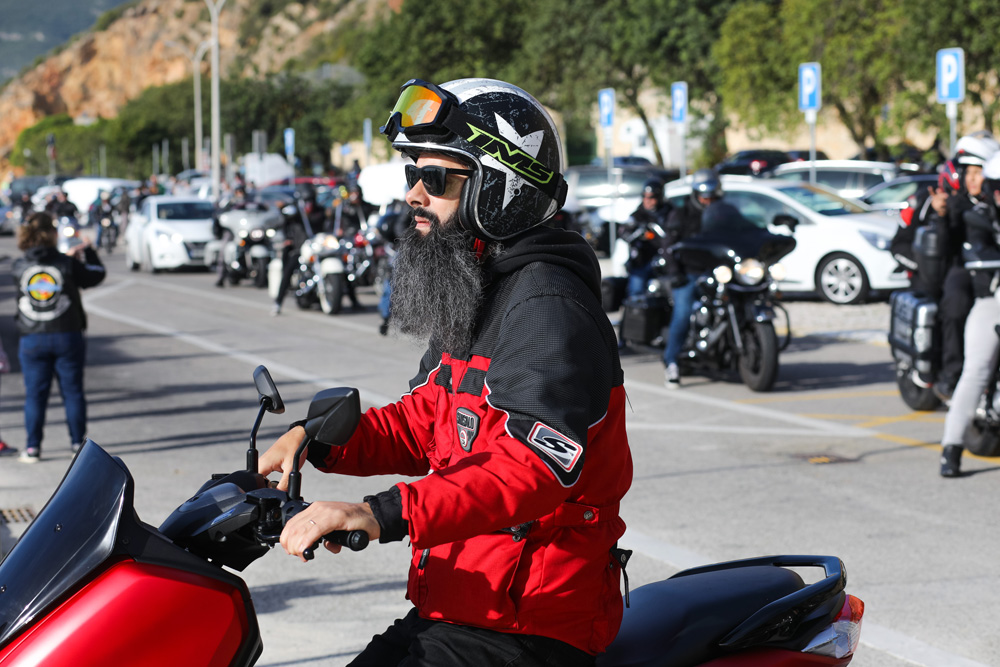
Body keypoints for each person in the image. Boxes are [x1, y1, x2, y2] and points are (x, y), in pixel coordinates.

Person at [258, 78, 632, 666]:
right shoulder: (479, 288)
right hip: (464, 606)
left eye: (435, 179)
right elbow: (427, 420)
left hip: (529, 625)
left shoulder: (548, 308)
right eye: (413, 175)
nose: (413, 194)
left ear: (500, 187)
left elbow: (531, 468)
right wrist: (319, 440)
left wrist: (380, 513)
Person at [12, 212, 105, 462]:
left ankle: (33, 448)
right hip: (67, 334)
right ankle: (77, 445)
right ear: (54, 234)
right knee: (72, 392)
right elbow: (96, 274)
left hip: (32, 337)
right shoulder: (67, 264)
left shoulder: (18, 266)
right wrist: (87, 251)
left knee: (35, 395)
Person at [939, 151, 1000, 477]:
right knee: (976, 368)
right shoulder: (980, 215)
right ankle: (951, 448)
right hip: (992, 297)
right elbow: (978, 249)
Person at [934, 134, 1000, 402]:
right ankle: (952, 374)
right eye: (969, 172)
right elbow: (945, 243)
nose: (973, 178)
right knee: (956, 303)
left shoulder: (994, 202)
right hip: (964, 267)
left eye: (979, 172)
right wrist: (942, 216)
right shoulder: (953, 203)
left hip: (993, 269)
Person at [661, 168, 720, 388]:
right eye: (705, 196)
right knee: (683, 312)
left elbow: (740, 229)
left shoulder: (724, 211)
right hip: (689, 273)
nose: (708, 201)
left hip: (717, 272)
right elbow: (668, 244)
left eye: (712, 197)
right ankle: (672, 362)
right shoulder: (682, 213)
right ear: (696, 194)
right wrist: (675, 272)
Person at [621, 178, 671, 298]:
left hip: (667, 260)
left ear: (660, 197)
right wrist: (636, 232)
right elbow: (624, 231)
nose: (647, 200)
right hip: (642, 260)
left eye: (652, 197)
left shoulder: (670, 213)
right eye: (645, 196)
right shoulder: (637, 215)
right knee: (636, 288)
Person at [271, 197, 310, 315]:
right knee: (287, 272)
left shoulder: (316, 214)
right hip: (298, 250)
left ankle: (353, 301)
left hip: (316, 249)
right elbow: (282, 221)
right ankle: (278, 302)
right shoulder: (293, 216)